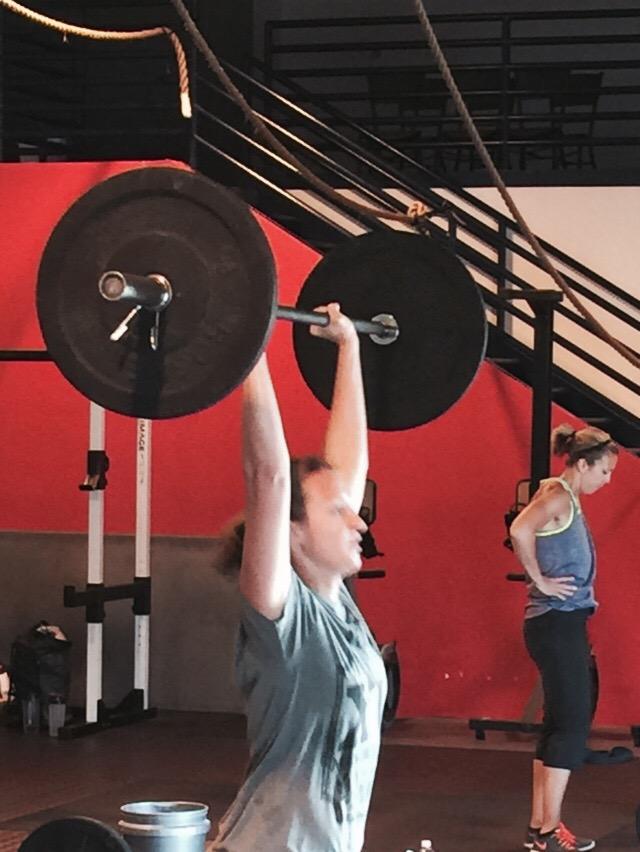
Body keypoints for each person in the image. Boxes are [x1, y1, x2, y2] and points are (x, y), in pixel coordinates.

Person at [212, 303, 387, 852]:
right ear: (291, 532)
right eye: (337, 512)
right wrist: (250, 341)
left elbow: (350, 465)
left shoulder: (338, 604)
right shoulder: (281, 617)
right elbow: (268, 475)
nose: (358, 522)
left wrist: (349, 348)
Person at [509, 424, 619, 852]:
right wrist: (539, 580)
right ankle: (548, 833)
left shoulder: (563, 495)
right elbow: (520, 529)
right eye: (604, 471)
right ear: (583, 464)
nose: (607, 480)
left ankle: (541, 828)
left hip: (560, 623)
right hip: (555, 622)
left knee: (559, 724)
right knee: (572, 725)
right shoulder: (557, 496)